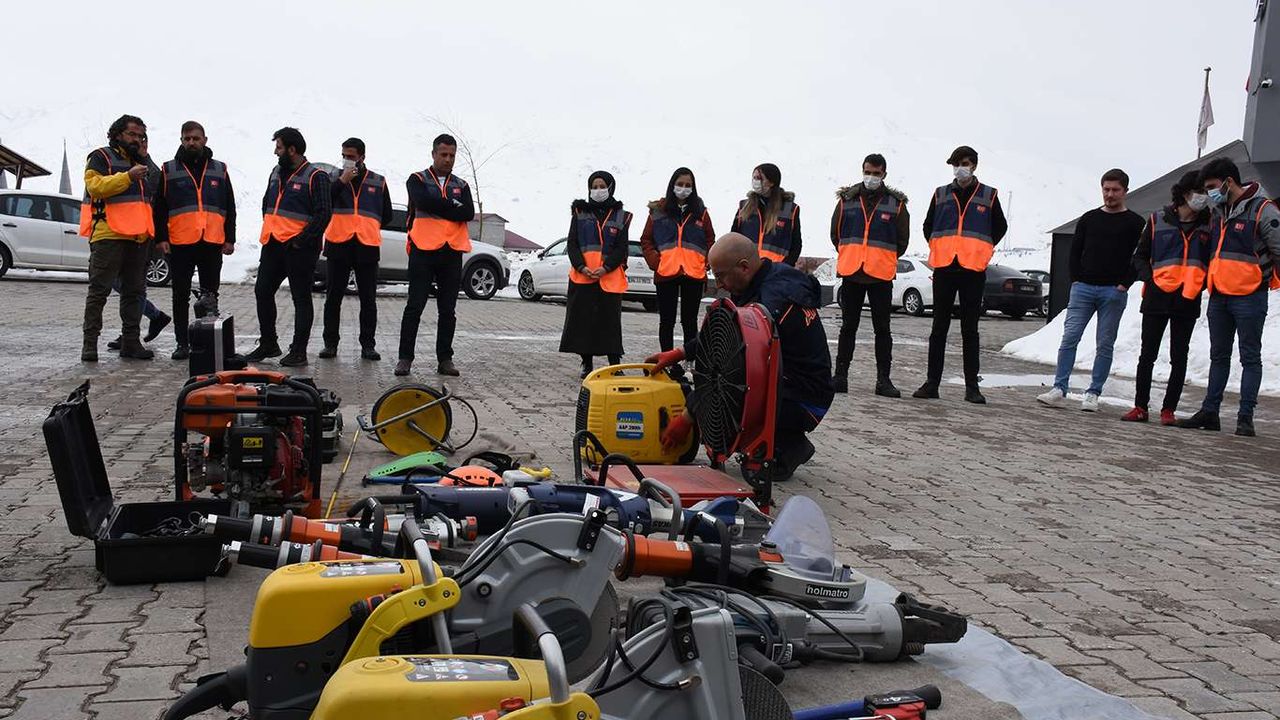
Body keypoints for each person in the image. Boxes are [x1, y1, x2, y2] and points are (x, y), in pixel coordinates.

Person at [648, 233, 833, 481]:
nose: (719, 285)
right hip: (794, 385)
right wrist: (679, 353)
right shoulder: (765, 280)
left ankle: (790, 446)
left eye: (721, 276)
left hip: (805, 400)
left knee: (731, 397)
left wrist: (688, 417)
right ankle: (776, 438)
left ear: (744, 267)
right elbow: (721, 334)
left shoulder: (772, 302)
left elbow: (731, 369)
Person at [1178, 158, 1280, 437]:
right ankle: (1210, 412)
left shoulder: (1263, 210)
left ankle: (1245, 418)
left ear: (1229, 181)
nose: (1209, 193)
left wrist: (1267, 280)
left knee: (1250, 357)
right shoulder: (1218, 211)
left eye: (1212, 186)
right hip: (1219, 296)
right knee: (1218, 356)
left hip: (1250, 296)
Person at [1036, 169, 1144, 411]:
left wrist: (1124, 284)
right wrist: (1075, 280)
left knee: (1105, 343)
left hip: (1113, 292)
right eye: (1106, 189)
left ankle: (1093, 393)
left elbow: (1140, 257)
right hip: (1083, 288)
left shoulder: (1136, 223)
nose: (1110, 194)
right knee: (1069, 338)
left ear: (1125, 191)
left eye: (1115, 190)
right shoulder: (1089, 218)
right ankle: (1059, 388)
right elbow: (1075, 251)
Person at [913, 145, 1008, 404]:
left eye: (964, 164)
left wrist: (982, 249)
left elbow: (1000, 227)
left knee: (970, 330)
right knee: (938, 328)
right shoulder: (940, 194)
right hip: (945, 267)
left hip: (972, 270)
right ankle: (932, 384)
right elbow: (928, 226)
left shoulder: (988, 195)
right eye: (956, 164)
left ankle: (972, 387)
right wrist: (940, 246)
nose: (959, 169)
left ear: (974, 165)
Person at [1121, 171, 1212, 425]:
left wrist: (1201, 283)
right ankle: (1140, 407)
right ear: (1185, 193)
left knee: (1179, 357)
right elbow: (1140, 256)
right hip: (1156, 297)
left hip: (1188, 298)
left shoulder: (1210, 223)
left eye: (1206, 192)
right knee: (1147, 355)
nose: (1204, 197)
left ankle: (1168, 410)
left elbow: (1213, 260)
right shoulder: (1157, 219)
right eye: (1200, 192)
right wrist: (1149, 279)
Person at [245, 127, 331, 367]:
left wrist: (300, 240)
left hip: (299, 248)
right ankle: (269, 343)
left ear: (292, 150)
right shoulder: (275, 172)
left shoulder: (317, 176)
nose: (275, 152)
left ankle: (299, 351)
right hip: (273, 244)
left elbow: (324, 214)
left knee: (300, 298)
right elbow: (267, 203)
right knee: (262, 291)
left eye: (279, 147)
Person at [152, 120, 237, 360]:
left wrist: (230, 238)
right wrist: (161, 238)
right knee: (180, 295)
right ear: (181, 141)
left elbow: (229, 206)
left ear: (204, 140)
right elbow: (159, 207)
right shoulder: (168, 170)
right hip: (180, 243)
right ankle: (182, 343)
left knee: (210, 295)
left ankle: (207, 343)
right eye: (187, 139)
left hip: (211, 241)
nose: (191, 142)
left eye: (196, 138)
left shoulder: (220, 169)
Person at [830, 153, 910, 397]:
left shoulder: (896, 204)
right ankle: (840, 376)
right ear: (862, 171)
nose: (871, 177)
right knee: (848, 327)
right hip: (852, 272)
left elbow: (902, 241)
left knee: (882, 329)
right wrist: (851, 254)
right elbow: (836, 234)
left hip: (880, 275)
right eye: (868, 172)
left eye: (876, 173)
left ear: (884, 174)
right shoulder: (847, 200)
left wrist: (881, 258)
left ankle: (883, 380)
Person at [396, 134, 475, 377]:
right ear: (433, 154)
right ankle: (405, 358)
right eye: (443, 154)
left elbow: (468, 213)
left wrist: (441, 204)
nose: (448, 159)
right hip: (423, 250)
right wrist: (452, 204)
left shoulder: (462, 185)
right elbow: (422, 202)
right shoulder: (417, 179)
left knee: (448, 310)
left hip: (451, 251)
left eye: (452, 155)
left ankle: (445, 359)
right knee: (415, 306)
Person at [79, 114, 156, 362]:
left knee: (134, 293)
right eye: (132, 134)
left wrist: (145, 158)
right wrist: (128, 176)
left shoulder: (140, 163)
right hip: (109, 235)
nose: (136, 139)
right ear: (117, 134)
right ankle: (90, 344)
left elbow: (157, 187)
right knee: (99, 291)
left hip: (138, 237)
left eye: (140, 136)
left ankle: (131, 343)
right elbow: (95, 187)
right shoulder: (101, 157)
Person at [320, 137, 392, 361]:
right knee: (333, 297)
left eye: (351, 156)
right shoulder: (333, 177)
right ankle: (330, 344)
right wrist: (342, 181)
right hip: (338, 243)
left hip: (366, 245)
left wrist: (366, 225)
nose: (346, 160)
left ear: (362, 157)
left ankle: (368, 345)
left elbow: (387, 214)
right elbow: (323, 201)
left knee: (368, 299)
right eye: (344, 156)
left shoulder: (378, 181)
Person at [559, 171, 632, 378]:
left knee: (610, 323)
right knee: (584, 322)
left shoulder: (621, 215)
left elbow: (621, 247)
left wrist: (606, 267)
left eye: (602, 186)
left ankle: (614, 364)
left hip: (609, 278)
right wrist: (581, 266)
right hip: (584, 277)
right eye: (594, 186)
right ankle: (586, 363)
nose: (598, 190)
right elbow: (572, 243)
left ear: (610, 188)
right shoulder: (579, 212)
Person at [639, 167, 715, 358]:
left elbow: (710, 240)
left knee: (689, 321)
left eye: (688, 185)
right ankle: (667, 361)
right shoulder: (658, 211)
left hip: (693, 273)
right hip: (666, 272)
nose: (684, 188)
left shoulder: (701, 212)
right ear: (672, 185)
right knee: (667, 321)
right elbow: (646, 240)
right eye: (680, 184)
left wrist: (705, 262)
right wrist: (655, 261)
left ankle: (690, 362)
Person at [107, 133, 171, 352]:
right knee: (126, 286)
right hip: (126, 236)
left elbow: (158, 204)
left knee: (132, 287)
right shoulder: (129, 167)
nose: (139, 145)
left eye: (142, 142)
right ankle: (143, 324)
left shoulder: (151, 171)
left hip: (145, 238)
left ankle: (133, 331)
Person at [731, 163, 801, 266]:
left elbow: (796, 245)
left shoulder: (790, 209)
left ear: (771, 182)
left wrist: (785, 267)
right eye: (754, 178)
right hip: (748, 269)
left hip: (776, 270)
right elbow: (733, 238)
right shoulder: (744, 206)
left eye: (759, 178)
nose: (755, 181)